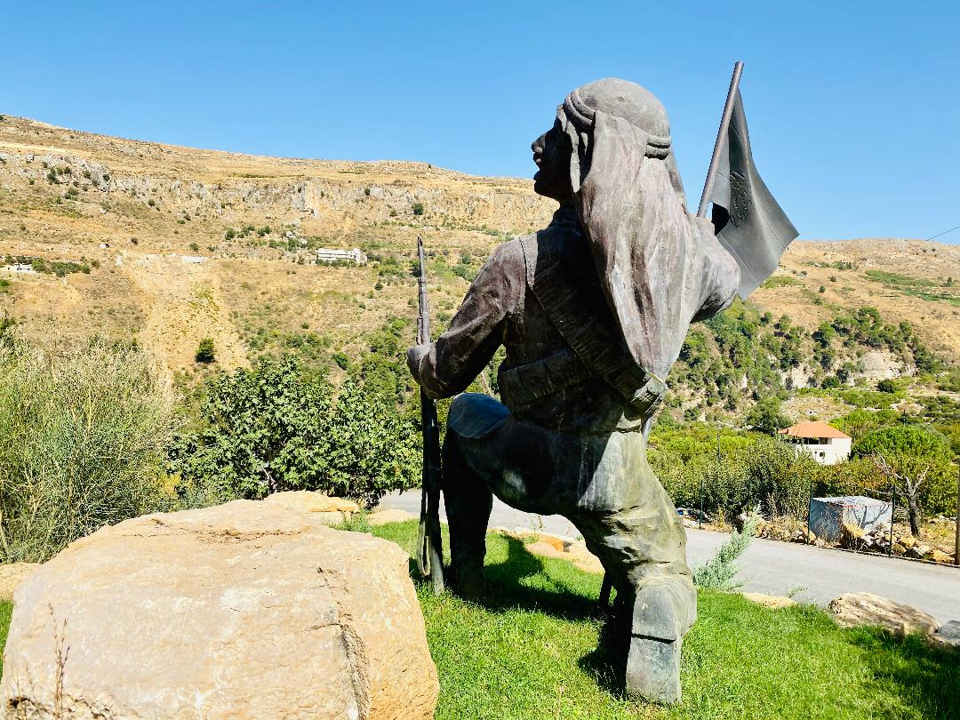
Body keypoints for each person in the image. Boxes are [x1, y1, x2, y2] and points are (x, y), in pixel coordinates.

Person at [407, 78, 740, 704]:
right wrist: (696, 238)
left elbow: (447, 376)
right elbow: (724, 281)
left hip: (525, 462)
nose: (538, 146)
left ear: (591, 153)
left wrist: (417, 355)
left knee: (467, 415)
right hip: (617, 478)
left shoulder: (517, 262)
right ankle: (656, 609)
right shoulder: (680, 262)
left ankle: (469, 569)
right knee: (666, 567)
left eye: (556, 135)